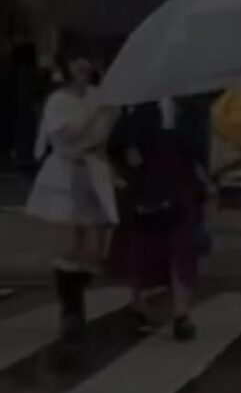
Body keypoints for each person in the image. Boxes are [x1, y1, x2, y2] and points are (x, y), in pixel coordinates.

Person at [25, 47, 119, 340]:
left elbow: (104, 132)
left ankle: (75, 303)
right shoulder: (58, 100)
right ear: (66, 64)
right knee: (69, 244)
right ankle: (71, 311)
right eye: (77, 59)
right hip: (65, 173)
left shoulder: (99, 96)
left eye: (88, 59)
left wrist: (107, 103)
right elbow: (68, 133)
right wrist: (97, 107)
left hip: (94, 171)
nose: (83, 64)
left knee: (93, 250)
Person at [106, 99, 206, 341]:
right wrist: (127, 162)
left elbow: (203, 147)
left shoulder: (191, 108)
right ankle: (139, 306)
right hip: (145, 188)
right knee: (142, 250)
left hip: (182, 187)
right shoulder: (136, 110)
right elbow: (114, 146)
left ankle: (182, 314)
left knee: (182, 250)